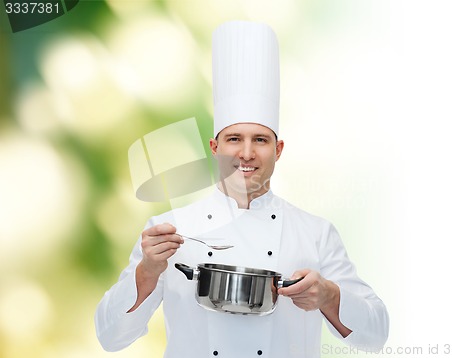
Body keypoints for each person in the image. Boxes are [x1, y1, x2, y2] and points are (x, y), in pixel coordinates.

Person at [95, 20, 389, 358]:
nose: (246, 153)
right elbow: (110, 338)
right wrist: (146, 272)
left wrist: (329, 296)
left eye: (260, 140)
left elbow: (375, 335)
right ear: (214, 147)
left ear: (278, 150)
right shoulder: (169, 232)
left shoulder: (316, 234)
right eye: (234, 139)